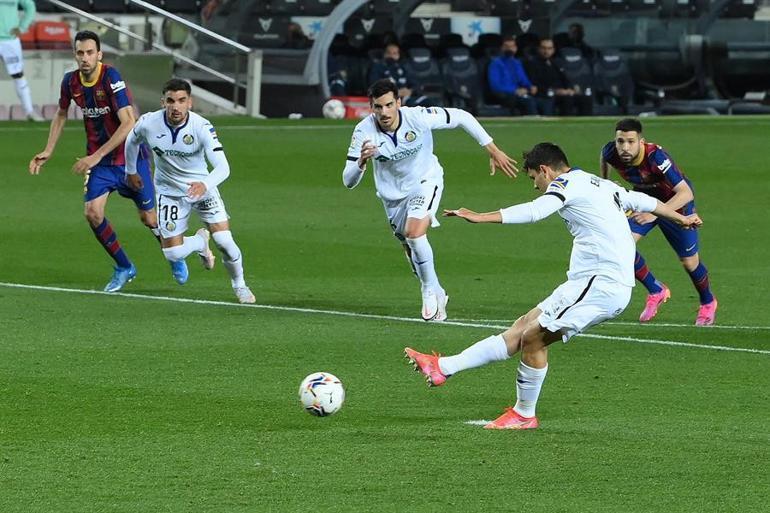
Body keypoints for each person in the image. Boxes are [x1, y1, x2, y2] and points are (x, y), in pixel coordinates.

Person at [404, 142, 702, 429]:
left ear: (545, 170)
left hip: (602, 284)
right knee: (523, 326)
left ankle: (524, 414)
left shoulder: (565, 186)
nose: (536, 185)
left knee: (533, 337)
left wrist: (480, 217)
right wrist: (681, 218)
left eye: (534, 178)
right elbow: (644, 201)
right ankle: (443, 367)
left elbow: (535, 211)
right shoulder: (598, 183)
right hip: (584, 281)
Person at [343, 78, 517, 321]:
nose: (384, 112)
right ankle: (437, 291)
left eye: (389, 105)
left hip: (425, 181)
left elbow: (462, 117)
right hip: (392, 196)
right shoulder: (363, 131)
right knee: (409, 245)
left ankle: (427, 291)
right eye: (378, 107)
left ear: (398, 103)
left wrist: (493, 150)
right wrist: (361, 162)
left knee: (414, 232)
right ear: (371, 107)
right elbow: (348, 181)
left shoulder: (418, 117)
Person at [28, 31, 187, 292]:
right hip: (101, 165)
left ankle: (174, 255)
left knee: (149, 219)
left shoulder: (111, 77)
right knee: (92, 213)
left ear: (99, 54)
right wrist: (48, 149)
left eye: (90, 52)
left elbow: (128, 122)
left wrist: (96, 155)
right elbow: (61, 113)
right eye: (80, 53)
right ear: (75, 55)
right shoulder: (70, 82)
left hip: (130, 159)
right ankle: (124, 266)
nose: (85, 58)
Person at [124, 78, 256, 304]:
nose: (176, 106)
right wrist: (131, 171)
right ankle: (198, 242)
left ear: (190, 103)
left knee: (224, 241)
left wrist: (205, 184)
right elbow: (131, 140)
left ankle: (240, 285)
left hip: (202, 190)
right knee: (172, 254)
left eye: (181, 100)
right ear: (163, 102)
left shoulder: (201, 127)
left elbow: (224, 167)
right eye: (171, 101)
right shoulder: (149, 123)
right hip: (170, 193)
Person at [600, 118, 717, 325]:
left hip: (676, 204)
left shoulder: (656, 157)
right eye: (620, 141)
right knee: (619, 244)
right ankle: (656, 290)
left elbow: (686, 192)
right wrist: (606, 181)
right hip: (643, 202)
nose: (624, 147)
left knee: (689, 262)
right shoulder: (611, 151)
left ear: (641, 142)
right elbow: (604, 156)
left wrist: (655, 213)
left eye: (630, 141)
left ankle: (708, 302)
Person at [524, 38, 591, 116]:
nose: (546, 51)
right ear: (539, 49)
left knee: (586, 99)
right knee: (567, 99)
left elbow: (565, 79)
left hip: (562, 92)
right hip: (546, 94)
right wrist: (555, 91)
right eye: (544, 48)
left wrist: (571, 89)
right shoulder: (532, 63)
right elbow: (534, 84)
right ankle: (565, 126)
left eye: (549, 48)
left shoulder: (555, 63)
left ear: (553, 50)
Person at [0, 0, 42, 121]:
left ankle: (29, 112)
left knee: (18, 75)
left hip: (10, 40)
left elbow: (30, 7)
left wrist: (23, 26)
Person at [367, 43, 431, 108]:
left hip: (408, 97)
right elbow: (374, 86)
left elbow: (416, 85)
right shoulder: (378, 67)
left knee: (429, 102)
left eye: (394, 53)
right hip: (390, 100)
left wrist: (410, 91)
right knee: (413, 106)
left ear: (398, 55)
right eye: (389, 53)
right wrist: (395, 92)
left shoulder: (403, 68)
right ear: (384, 54)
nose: (391, 56)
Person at [487, 37, 538, 116]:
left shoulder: (517, 62)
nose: (509, 49)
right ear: (502, 48)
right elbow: (495, 86)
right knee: (526, 102)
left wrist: (530, 87)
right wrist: (515, 91)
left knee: (539, 99)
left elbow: (523, 79)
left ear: (516, 48)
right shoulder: (495, 63)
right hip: (503, 94)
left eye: (512, 46)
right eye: (506, 46)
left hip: (518, 93)